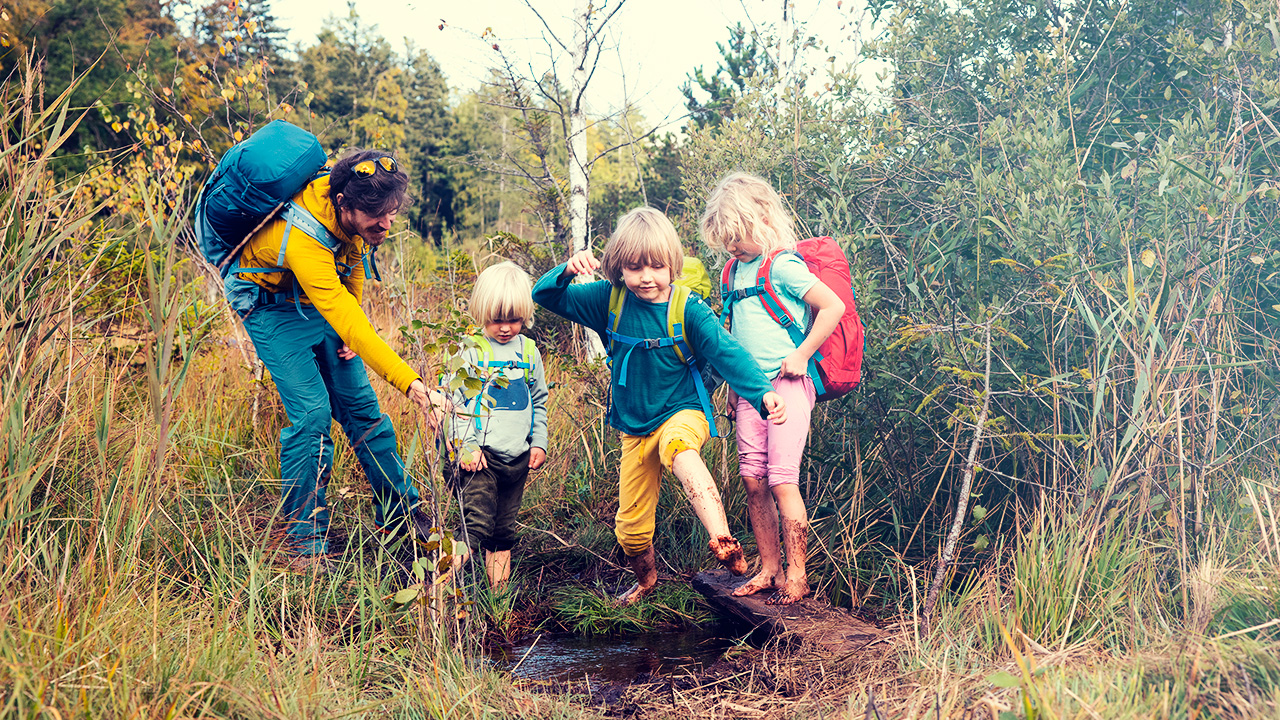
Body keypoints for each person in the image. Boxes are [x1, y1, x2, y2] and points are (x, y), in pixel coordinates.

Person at [532, 206, 787, 605]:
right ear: (618, 268)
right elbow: (544, 296)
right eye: (634, 268)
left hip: (683, 411)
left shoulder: (688, 309)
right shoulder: (608, 300)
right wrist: (566, 270)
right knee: (631, 530)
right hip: (634, 427)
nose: (646, 277)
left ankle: (723, 540)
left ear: (673, 265)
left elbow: (727, 353)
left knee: (678, 448)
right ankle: (647, 582)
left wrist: (762, 392)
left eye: (655, 267)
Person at [223, 149, 441, 569]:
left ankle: (403, 518)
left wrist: (349, 327)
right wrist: (415, 387)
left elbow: (354, 261)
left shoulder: (353, 210)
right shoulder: (306, 239)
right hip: (269, 306)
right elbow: (353, 321)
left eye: (393, 213)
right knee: (312, 416)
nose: (386, 223)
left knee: (364, 411)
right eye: (377, 215)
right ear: (343, 202)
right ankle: (302, 541)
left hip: (315, 298)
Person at [699, 172, 845, 605]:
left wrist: (802, 354)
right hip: (750, 391)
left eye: (737, 236)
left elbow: (832, 306)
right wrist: (731, 384)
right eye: (725, 240)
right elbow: (732, 337)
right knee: (753, 480)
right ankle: (769, 569)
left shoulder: (782, 264)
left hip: (789, 384)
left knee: (782, 480)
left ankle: (797, 575)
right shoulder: (730, 272)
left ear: (762, 218)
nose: (731, 247)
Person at [446, 261, 549, 589]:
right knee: (476, 525)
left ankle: (498, 602)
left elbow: (540, 401)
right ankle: (433, 590)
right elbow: (452, 403)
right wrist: (468, 445)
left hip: (516, 460)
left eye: (514, 319)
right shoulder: (470, 350)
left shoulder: (529, 352)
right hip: (479, 459)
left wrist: (539, 442)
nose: (506, 328)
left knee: (503, 532)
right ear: (481, 313)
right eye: (497, 319)